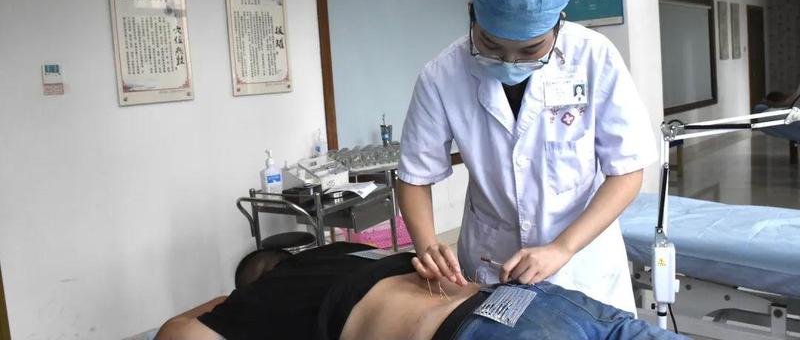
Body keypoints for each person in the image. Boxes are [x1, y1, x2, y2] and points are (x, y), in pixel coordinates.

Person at [396, 0, 656, 314]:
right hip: (492, 258)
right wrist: (428, 244)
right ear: (471, 13)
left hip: (581, 260)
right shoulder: (441, 75)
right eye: (491, 45)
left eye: (531, 49)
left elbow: (627, 170)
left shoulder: (594, 58)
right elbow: (415, 176)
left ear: (558, 22)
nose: (510, 62)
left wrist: (563, 247)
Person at [155, 242, 686, 340]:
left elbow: (172, 332)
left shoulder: (255, 304)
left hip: (474, 332)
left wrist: (229, 302)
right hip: (531, 301)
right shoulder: (350, 250)